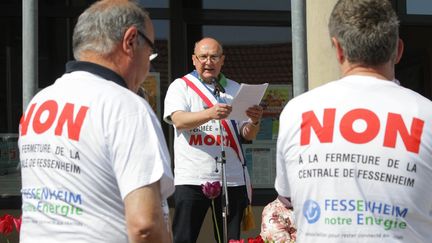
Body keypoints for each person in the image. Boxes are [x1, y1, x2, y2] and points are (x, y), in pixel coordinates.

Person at [275, 0, 432, 242]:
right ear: (398, 50)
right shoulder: (426, 115)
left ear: (337, 49)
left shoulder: (297, 111)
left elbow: (287, 196)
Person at [18, 1, 174, 242]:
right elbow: (145, 226)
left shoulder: (40, 102)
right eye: (151, 50)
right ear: (131, 41)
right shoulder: (126, 106)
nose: (149, 63)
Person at [163, 37, 263, 242]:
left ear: (222, 60)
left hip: (231, 179)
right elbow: (178, 120)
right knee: (184, 238)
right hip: (193, 177)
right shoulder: (181, 86)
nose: (208, 62)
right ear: (194, 59)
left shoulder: (235, 88)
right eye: (203, 57)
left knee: (229, 239)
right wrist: (210, 113)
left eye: (214, 57)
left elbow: (247, 134)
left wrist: (254, 121)